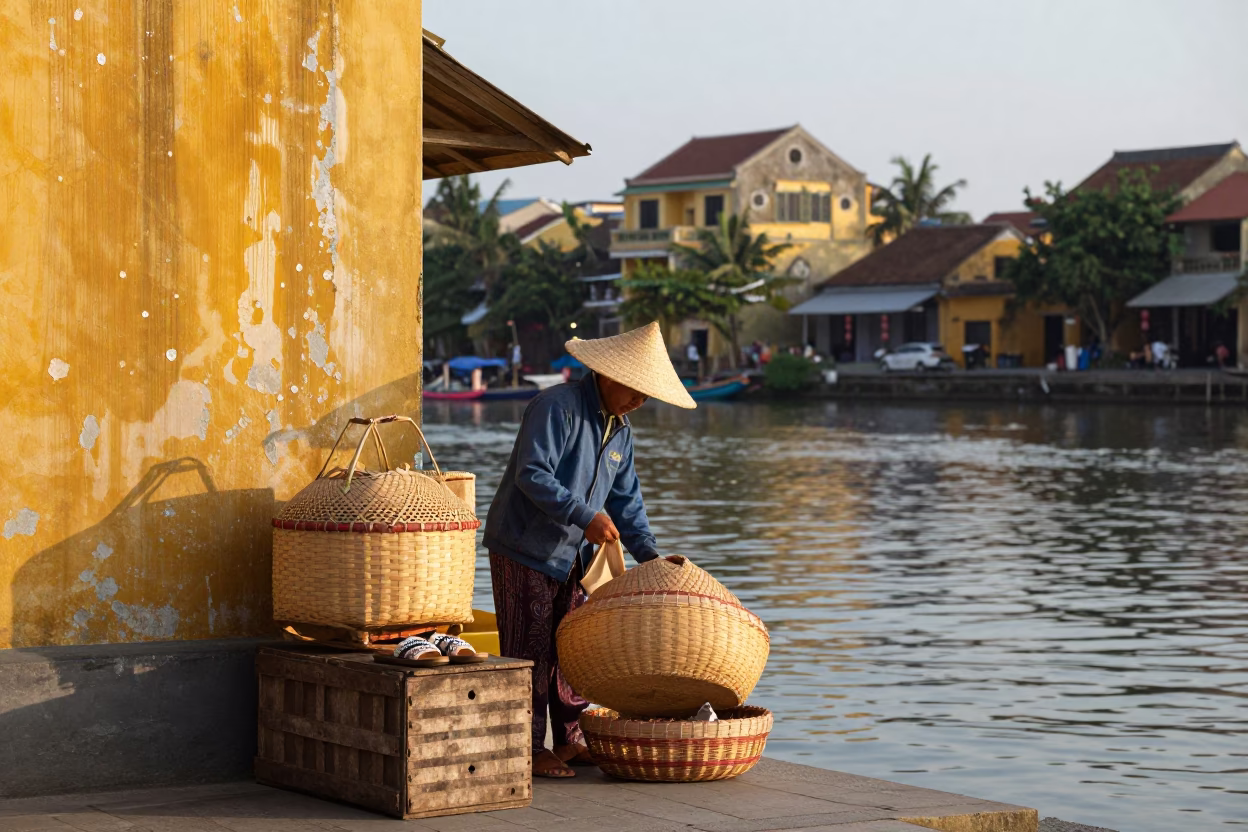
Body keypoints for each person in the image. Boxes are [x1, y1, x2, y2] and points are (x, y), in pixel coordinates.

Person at [483, 322, 696, 779]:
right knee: (530, 652)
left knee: (573, 649)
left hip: (574, 558)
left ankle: (569, 739)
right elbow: (532, 474)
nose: (639, 402)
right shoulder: (555, 407)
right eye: (635, 391)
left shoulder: (621, 431)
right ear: (608, 375)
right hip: (523, 546)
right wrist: (585, 516)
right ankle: (527, 748)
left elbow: (627, 501)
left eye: (646, 396)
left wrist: (651, 558)